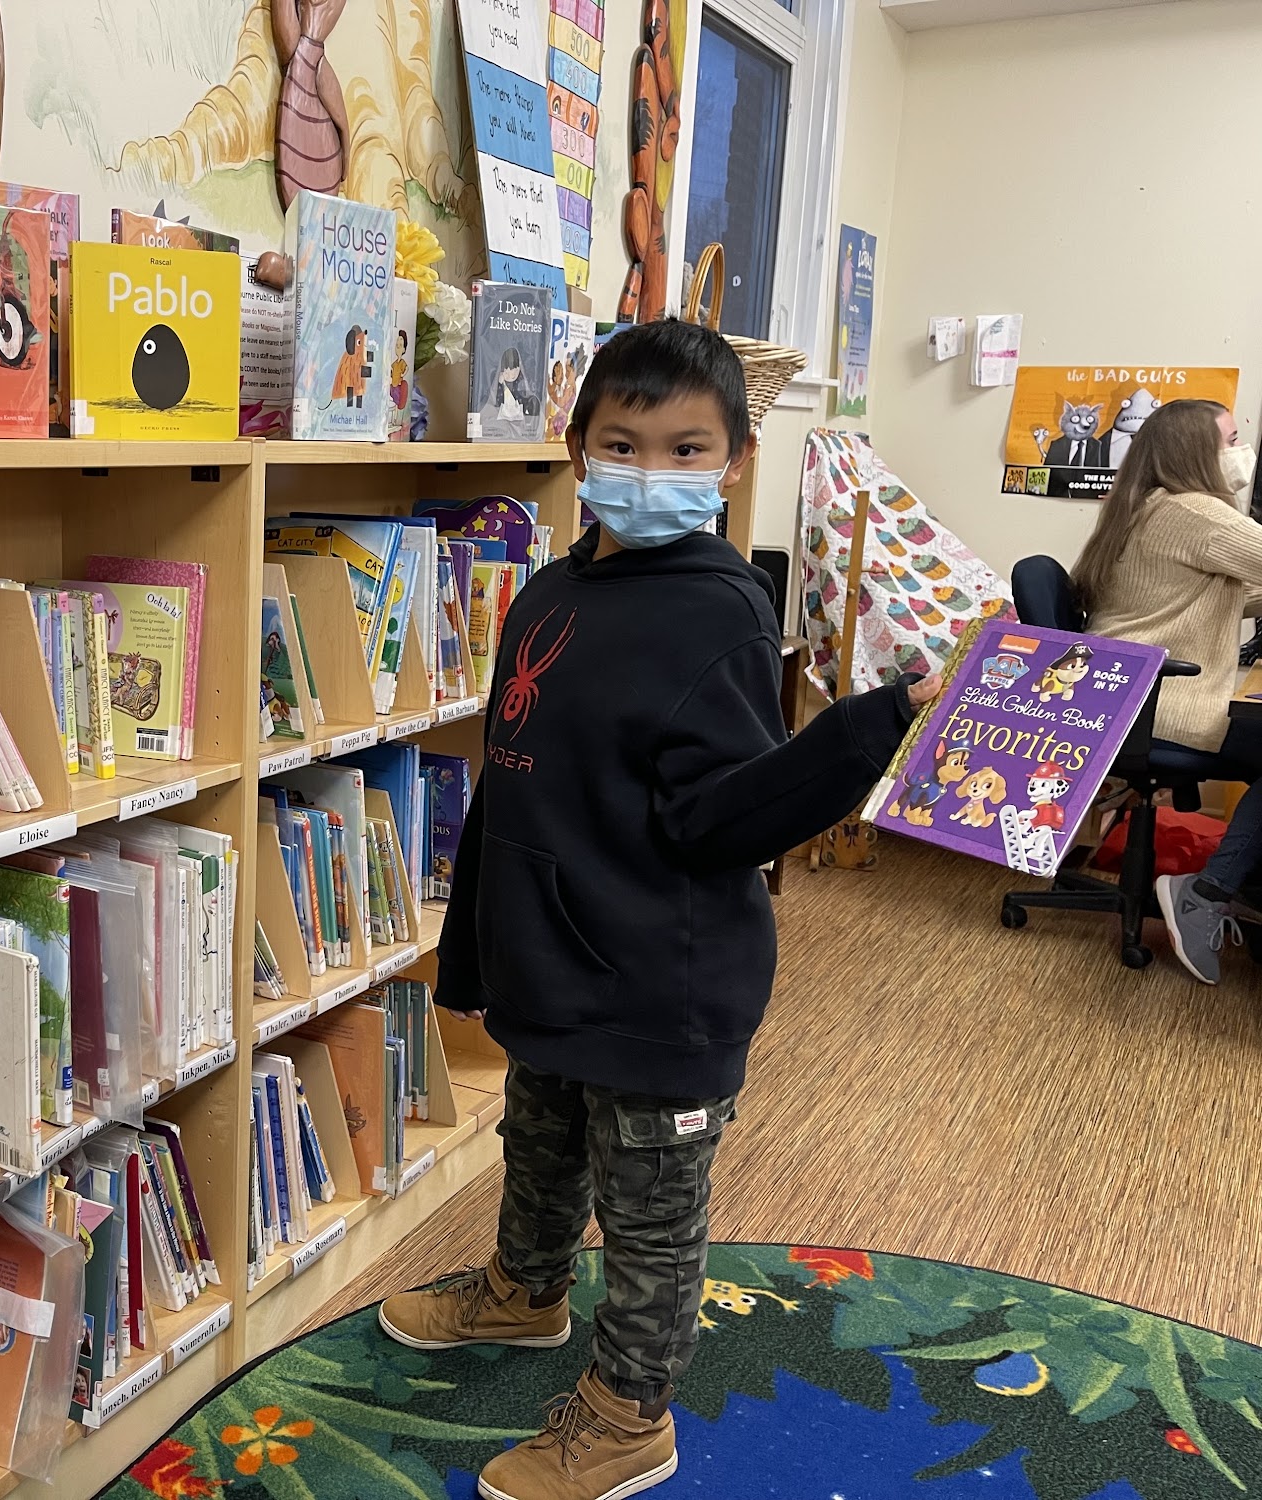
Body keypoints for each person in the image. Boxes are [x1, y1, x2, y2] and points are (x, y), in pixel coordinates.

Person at [377, 318, 939, 1500]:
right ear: (576, 446)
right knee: (536, 1149)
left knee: (647, 1216)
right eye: (622, 444)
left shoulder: (718, 610)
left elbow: (722, 819)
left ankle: (629, 1413)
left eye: (686, 450)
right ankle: (522, 1293)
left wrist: (861, 731)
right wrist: (478, 950)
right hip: (554, 966)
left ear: (733, 460)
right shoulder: (544, 596)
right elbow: (515, 791)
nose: (650, 472)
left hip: (660, 987)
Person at [1075, 398, 1262, 984]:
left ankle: (1237, 886)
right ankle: (1208, 894)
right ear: (1196, 452)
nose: (1240, 452)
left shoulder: (1149, 505)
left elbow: (1195, 598)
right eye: (1231, 440)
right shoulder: (1196, 514)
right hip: (1160, 704)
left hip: (1120, 697)